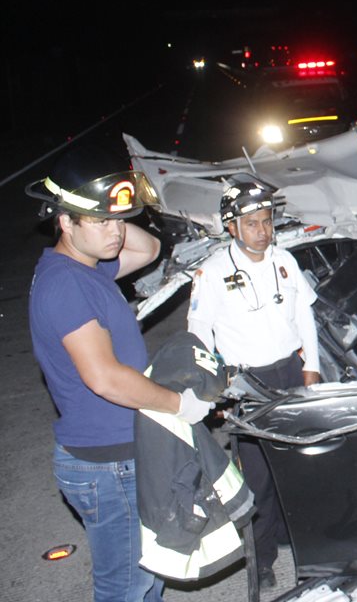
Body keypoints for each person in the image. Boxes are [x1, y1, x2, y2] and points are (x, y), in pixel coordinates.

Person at [26, 145, 214, 602]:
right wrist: (179, 405)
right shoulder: (65, 284)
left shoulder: (88, 269)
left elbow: (149, 247)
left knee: (150, 576)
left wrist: (109, 205)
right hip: (105, 465)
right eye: (102, 223)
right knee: (125, 587)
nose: (115, 233)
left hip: (122, 454)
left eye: (117, 221)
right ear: (65, 220)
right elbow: (105, 378)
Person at [185, 177, 320, 589]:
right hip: (246, 382)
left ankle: (307, 549)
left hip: (289, 374)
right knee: (258, 478)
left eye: (267, 221)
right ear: (232, 227)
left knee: (299, 467)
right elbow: (199, 331)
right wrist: (213, 385)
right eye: (253, 224)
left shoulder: (285, 261)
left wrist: (311, 367)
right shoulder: (212, 272)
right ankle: (260, 561)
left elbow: (305, 317)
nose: (264, 232)